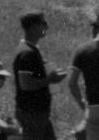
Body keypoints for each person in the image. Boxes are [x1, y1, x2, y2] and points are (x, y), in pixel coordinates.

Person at [13, 10, 68, 140]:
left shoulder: (31, 50)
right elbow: (25, 84)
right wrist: (50, 79)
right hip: (32, 113)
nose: (46, 27)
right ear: (33, 27)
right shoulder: (27, 53)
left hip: (38, 113)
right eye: (43, 23)